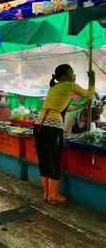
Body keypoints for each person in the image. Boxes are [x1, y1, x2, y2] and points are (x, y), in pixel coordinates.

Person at [33, 64, 95, 204]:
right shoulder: (69, 85)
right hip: (52, 126)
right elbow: (89, 94)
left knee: (44, 160)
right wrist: (92, 79)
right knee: (54, 161)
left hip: (38, 125)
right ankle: (54, 197)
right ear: (64, 77)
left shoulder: (53, 88)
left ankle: (47, 194)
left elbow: (65, 107)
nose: (74, 76)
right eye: (72, 73)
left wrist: (81, 106)